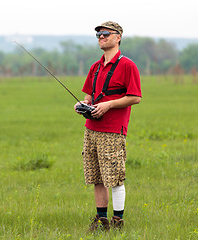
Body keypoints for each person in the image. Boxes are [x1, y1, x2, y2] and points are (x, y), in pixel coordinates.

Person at [74, 21, 142, 232]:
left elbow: (135, 97)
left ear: (118, 37)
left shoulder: (128, 65)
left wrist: (109, 105)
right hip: (92, 128)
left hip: (113, 129)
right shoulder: (95, 67)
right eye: (98, 35)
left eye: (105, 34)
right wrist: (82, 105)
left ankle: (118, 222)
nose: (101, 37)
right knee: (96, 176)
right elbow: (89, 96)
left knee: (114, 176)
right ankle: (101, 221)